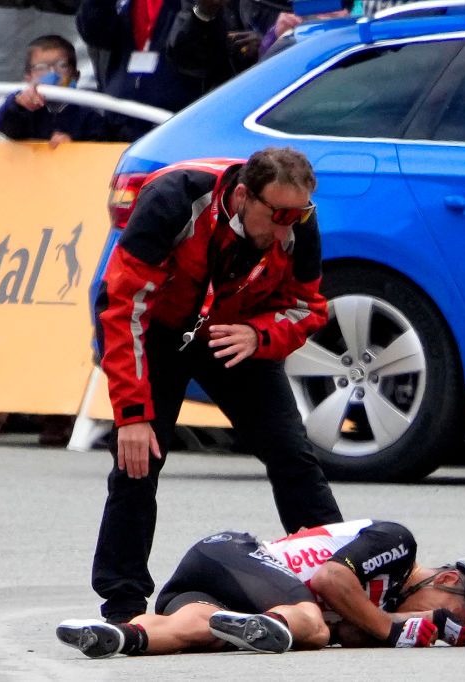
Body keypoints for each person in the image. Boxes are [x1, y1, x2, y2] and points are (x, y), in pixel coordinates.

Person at [91, 147, 344, 624]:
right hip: (158, 329)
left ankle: (339, 582)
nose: (288, 229)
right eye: (279, 215)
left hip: (236, 333)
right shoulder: (173, 199)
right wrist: (131, 413)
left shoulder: (297, 227)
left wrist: (261, 334)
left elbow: (308, 309)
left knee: (292, 452)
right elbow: (122, 306)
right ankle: (123, 605)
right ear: (244, 196)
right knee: (137, 457)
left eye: (300, 214)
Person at [57, 519, 465, 657]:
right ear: (449, 579)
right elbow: (331, 580)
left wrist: (408, 626)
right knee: (310, 626)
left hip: (215, 590)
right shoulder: (399, 544)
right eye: (453, 617)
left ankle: (123, 636)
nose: (442, 626)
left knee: (195, 628)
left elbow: (348, 633)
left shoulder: (382, 606)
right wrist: (394, 631)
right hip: (232, 553)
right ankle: (264, 626)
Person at [76, 0, 206, 140]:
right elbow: (95, 35)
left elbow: (197, 52)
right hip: (119, 124)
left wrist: (203, 13)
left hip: (179, 124)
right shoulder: (123, 5)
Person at [0, 34, 108, 145]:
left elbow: (100, 147)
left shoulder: (89, 116)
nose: (52, 73)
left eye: (62, 65)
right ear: (28, 77)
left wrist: (74, 147)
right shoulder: (23, 110)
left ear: (76, 75)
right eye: (41, 67)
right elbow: (6, 128)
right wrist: (18, 104)